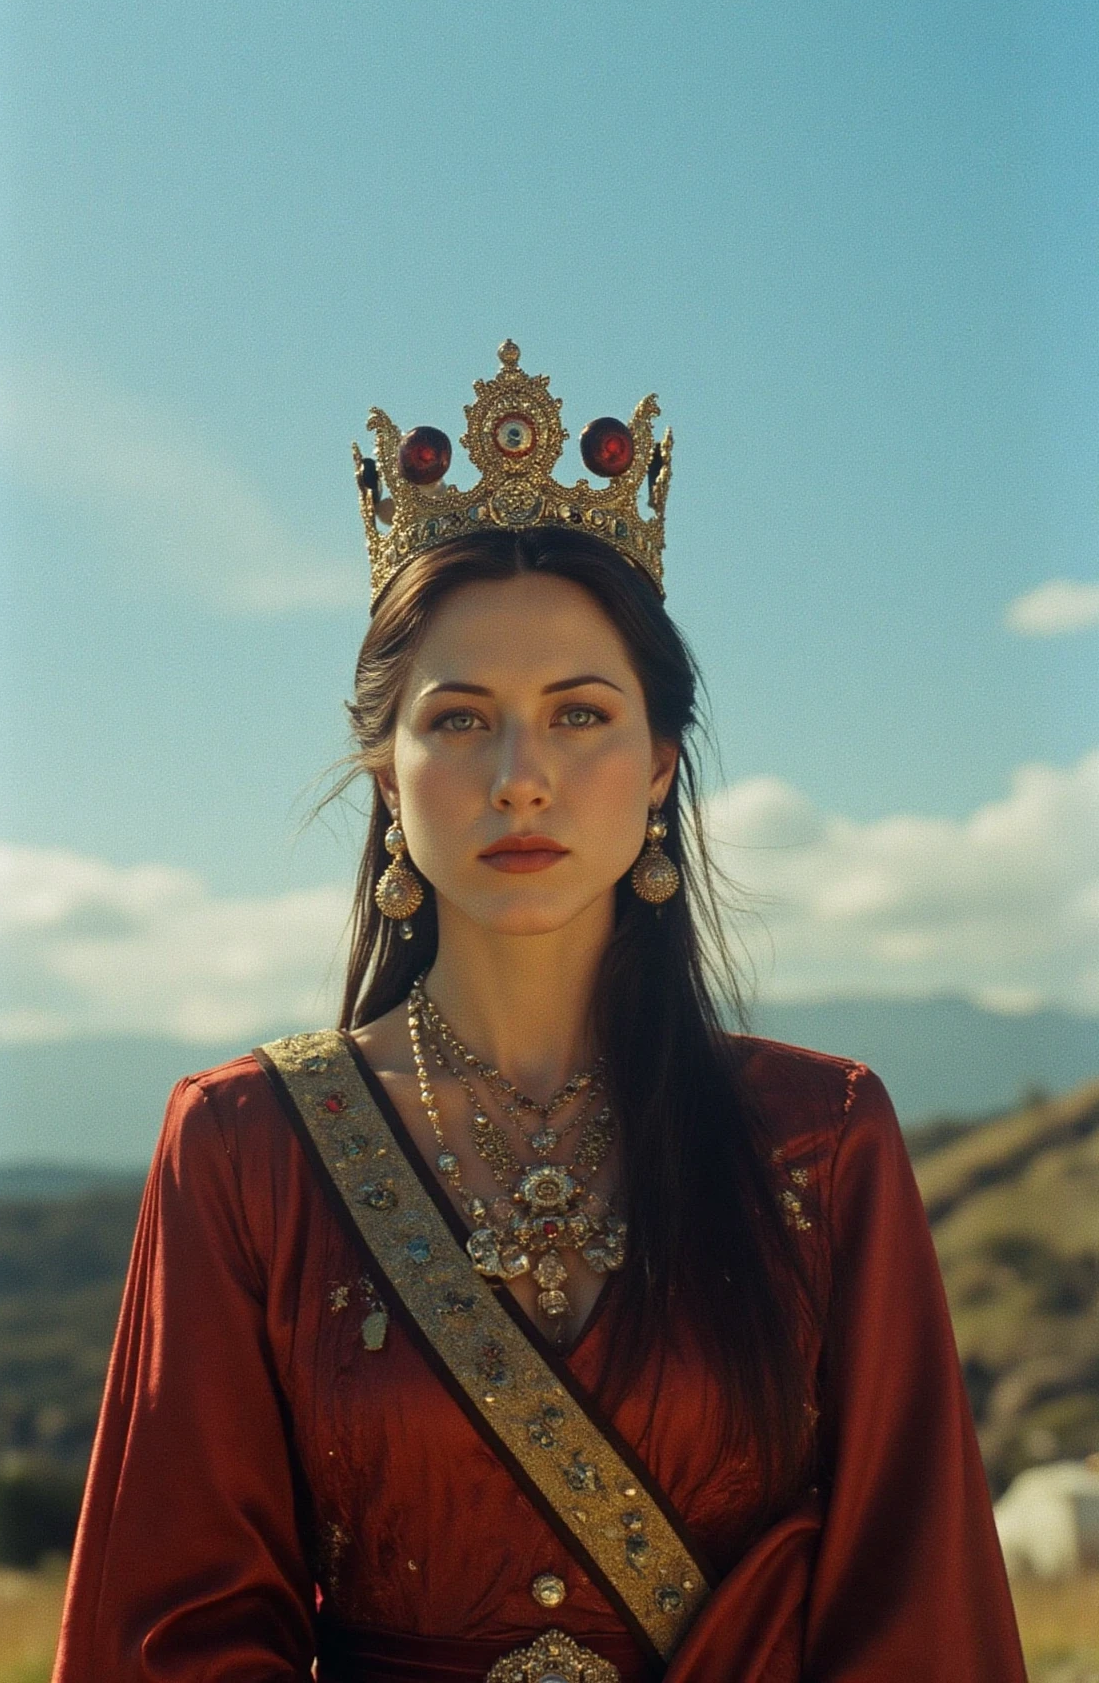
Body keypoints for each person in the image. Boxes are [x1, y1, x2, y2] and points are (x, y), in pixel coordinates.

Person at [53, 343, 1026, 1683]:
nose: (521, 778)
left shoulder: (821, 1138)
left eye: (578, 714)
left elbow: (916, 1615)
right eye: (459, 722)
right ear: (388, 780)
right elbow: (179, 1632)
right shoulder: (244, 1149)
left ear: (659, 766)